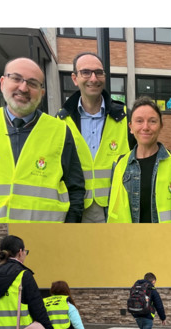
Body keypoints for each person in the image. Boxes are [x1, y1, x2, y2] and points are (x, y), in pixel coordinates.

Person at [0, 57, 85, 223]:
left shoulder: (60, 130)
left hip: (45, 236)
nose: (23, 87)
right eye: (16, 78)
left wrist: (68, 231)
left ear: (42, 93)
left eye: (33, 83)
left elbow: (75, 188)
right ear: (2, 82)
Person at [56, 52, 135, 222]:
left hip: (116, 207)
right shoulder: (60, 121)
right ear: (75, 78)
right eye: (86, 72)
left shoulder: (125, 117)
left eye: (99, 72)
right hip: (75, 209)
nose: (93, 78)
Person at [107, 97, 171, 223]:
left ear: (161, 126)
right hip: (128, 240)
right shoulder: (119, 165)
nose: (145, 127)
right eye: (139, 121)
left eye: (152, 121)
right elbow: (111, 208)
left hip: (166, 240)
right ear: (130, 127)